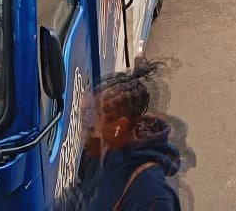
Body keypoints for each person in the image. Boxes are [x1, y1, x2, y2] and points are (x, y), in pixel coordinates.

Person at [70, 61, 182, 211]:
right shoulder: (98, 152)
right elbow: (79, 197)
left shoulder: (153, 197)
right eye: (82, 124)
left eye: (90, 128)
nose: (82, 135)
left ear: (119, 127)